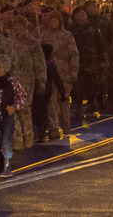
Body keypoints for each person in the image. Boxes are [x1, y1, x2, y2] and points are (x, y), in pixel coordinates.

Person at [7, 15, 46, 150]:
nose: (17, 27)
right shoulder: (9, 42)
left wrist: (42, 80)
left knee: (25, 108)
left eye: (20, 25)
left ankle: (28, 132)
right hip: (12, 80)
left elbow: (40, 63)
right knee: (13, 109)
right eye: (15, 25)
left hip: (28, 80)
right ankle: (17, 138)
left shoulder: (32, 43)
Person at [40, 10, 78, 139]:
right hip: (50, 74)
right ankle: (54, 127)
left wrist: (73, 72)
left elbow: (73, 55)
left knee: (64, 100)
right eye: (51, 20)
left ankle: (66, 125)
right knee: (52, 102)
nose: (53, 22)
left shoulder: (67, 36)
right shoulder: (45, 36)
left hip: (64, 74)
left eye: (56, 20)